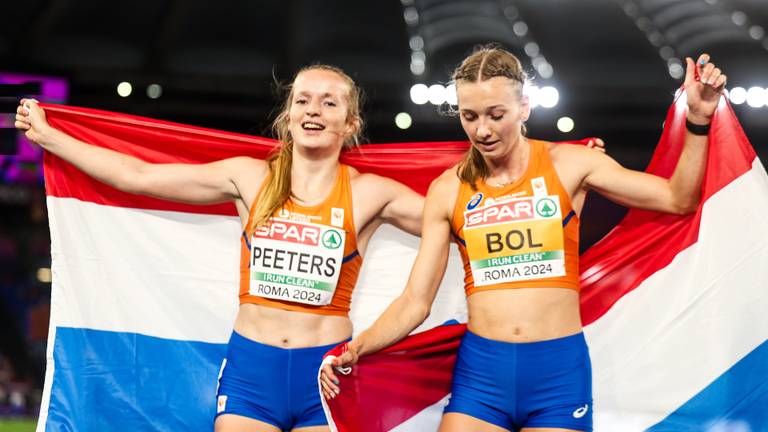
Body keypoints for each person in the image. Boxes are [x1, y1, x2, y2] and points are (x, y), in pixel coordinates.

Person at [321, 47, 725, 432]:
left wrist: (698, 118)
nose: (483, 129)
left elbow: (678, 198)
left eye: (497, 114)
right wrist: (358, 348)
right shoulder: (449, 190)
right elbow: (415, 301)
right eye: (470, 116)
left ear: (524, 107)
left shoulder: (570, 165)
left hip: (557, 375)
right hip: (482, 376)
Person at [15, 65, 425, 432]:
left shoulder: (371, 194)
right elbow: (137, 175)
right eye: (303, 100)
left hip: (326, 375)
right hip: (252, 373)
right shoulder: (249, 178)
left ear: (350, 123)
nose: (313, 110)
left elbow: (456, 221)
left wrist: (490, 159)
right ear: (288, 116)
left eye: (328, 102)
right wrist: (50, 138)